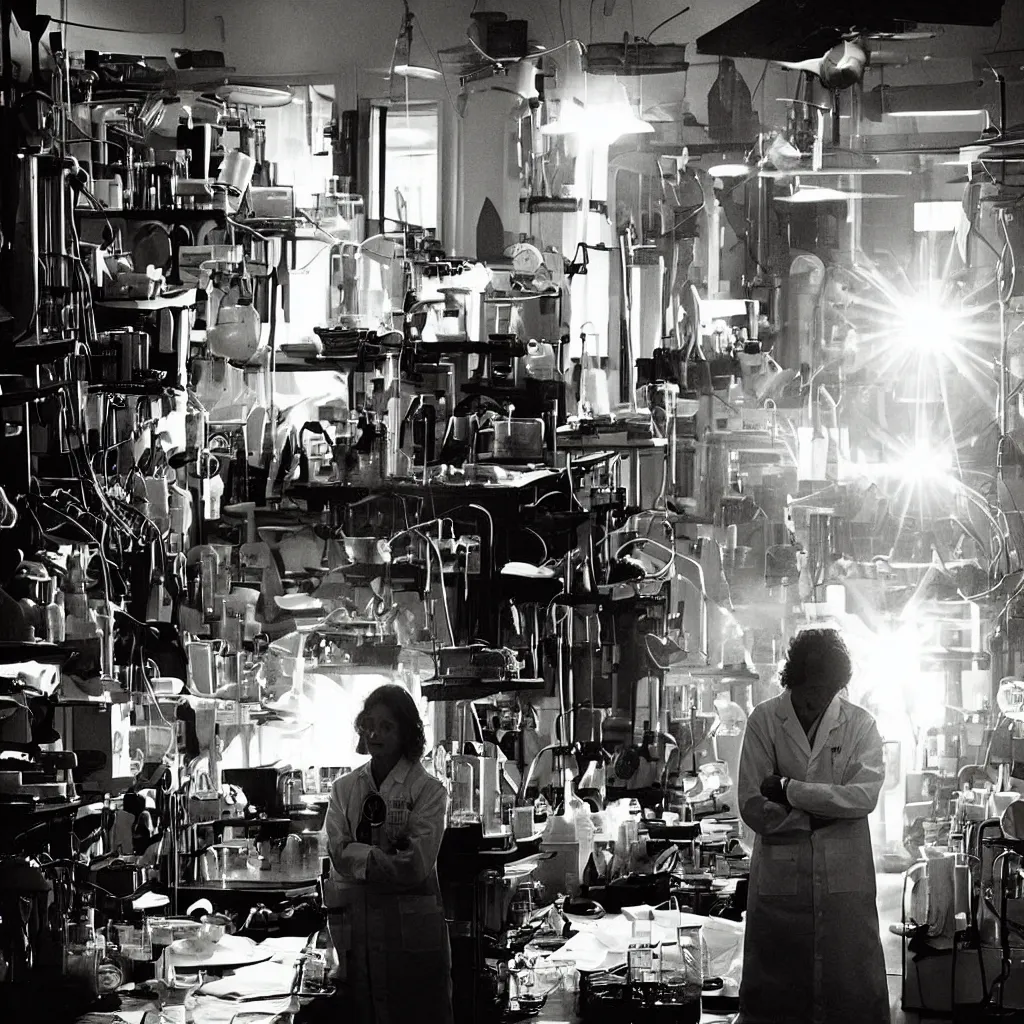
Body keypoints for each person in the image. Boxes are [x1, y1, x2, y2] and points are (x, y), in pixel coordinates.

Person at [736, 627, 889, 1024]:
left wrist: (788, 791)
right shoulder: (765, 721)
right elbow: (753, 806)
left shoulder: (861, 726)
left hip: (844, 886)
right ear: (793, 677)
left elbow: (864, 798)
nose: (818, 700)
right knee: (777, 996)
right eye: (811, 688)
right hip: (780, 888)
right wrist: (826, 810)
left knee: (848, 989)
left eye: (828, 690)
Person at [324, 684, 453, 1024]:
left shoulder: (429, 791)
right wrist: (382, 856)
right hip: (359, 933)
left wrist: (359, 855)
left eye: (386, 726)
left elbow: (413, 865)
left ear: (407, 732)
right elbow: (336, 851)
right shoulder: (344, 788)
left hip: (411, 939)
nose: (374, 733)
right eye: (368, 724)